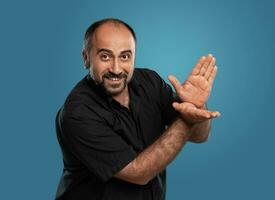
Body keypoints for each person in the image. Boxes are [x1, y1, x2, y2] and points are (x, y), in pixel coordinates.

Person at [55, 18, 220, 200]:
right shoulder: (77, 112)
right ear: (86, 58)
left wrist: (197, 106)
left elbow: (199, 135)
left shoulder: (149, 82)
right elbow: (138, 173)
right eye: (105, 56)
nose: (116, 69)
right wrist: (186, 118)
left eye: (125, 56)